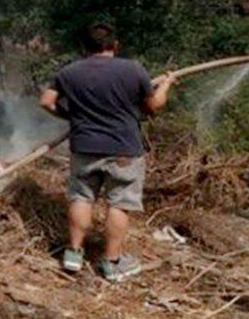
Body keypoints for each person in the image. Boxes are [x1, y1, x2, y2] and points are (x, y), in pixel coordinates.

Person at [39, 24, 177, 282]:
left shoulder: (69, 72)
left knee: (81, 197)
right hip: (124, 150)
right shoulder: (132, 69)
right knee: (120, 203)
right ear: (115, 45)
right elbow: (154, 106)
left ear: (84, 48)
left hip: (84, 147)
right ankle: (112, 264)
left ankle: (73, 254)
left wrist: (69, 115)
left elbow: (46, 101)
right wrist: (167, 84)